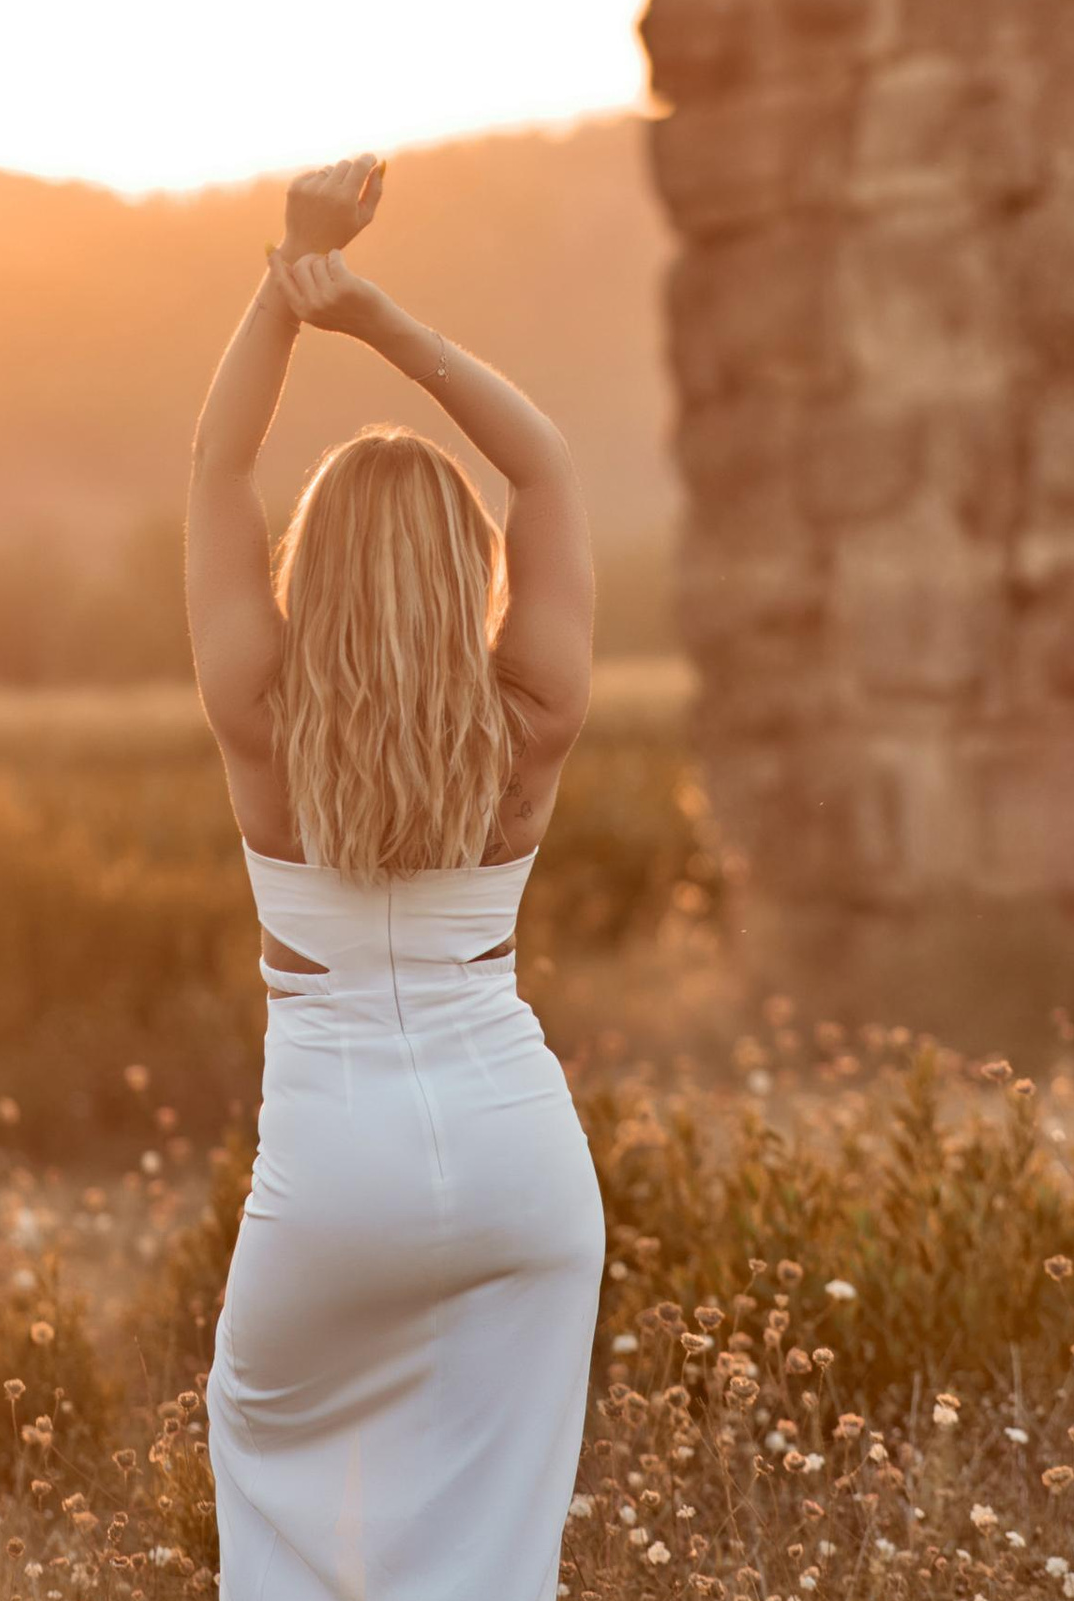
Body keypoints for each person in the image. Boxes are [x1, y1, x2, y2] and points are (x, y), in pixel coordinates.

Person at [184, 151, 606, 1599]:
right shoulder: (530, 716)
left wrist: (286, 290)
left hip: (335, 1161)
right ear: (464, 567)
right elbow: (543, 463)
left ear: (321, 570)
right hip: (520, 1154)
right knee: (488, 1528)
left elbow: (216, 468)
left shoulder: (263, 719)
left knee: (271, 1456)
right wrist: (379, 321)